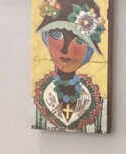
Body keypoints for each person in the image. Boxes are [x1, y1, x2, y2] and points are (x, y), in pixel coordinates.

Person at [33, 0, 106, 132]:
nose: (65, 50)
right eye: (57, 35)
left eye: (79, 40)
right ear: (46, 37)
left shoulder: (95, 100)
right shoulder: (40, 96)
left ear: (88, 50)